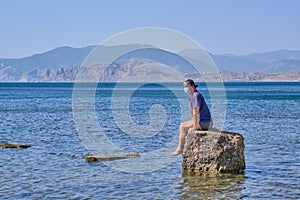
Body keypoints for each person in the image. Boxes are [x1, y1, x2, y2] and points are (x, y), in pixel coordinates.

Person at [171, 79, 213, 156]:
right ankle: (186, 149)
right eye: (184, 87)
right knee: (186, 127)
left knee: (183, 127)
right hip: (203, 121)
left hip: (205, 122)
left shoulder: (196, 96)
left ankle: (180, 149)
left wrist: (195, 126)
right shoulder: (192, 95)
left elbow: (195, 113)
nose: (185, 88)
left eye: (187, 86)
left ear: (193, 86)